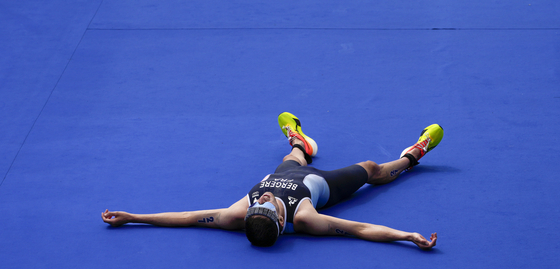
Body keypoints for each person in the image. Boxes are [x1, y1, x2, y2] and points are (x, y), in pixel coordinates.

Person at [102, 112, 442, 250]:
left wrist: (134, 217)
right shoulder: (306, 219)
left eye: (258, 202)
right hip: (320, 183)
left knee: (290, 159)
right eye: (267, 203)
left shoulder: (239, 214)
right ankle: (414, 155)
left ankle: (300, 143)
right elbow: (359, 229)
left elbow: (188, 218)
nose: (262, 196)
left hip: (288, 170)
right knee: (371, 168)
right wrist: (407, 236)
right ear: (283, 220)